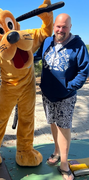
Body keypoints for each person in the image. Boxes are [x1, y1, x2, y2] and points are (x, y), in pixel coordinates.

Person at [34, 13, 89, 180]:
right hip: (47, 94)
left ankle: (64, 164)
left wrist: (69, 87)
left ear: (70, 27)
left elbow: (84, 70)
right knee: (52, 123)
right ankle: (56, 152)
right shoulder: (47, 42)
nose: (60, 29)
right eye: (58, 26)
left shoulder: (78, 45)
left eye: (64, 26)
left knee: (63, 128)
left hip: (66, 96)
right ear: (54, 26)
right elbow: (34, 57)